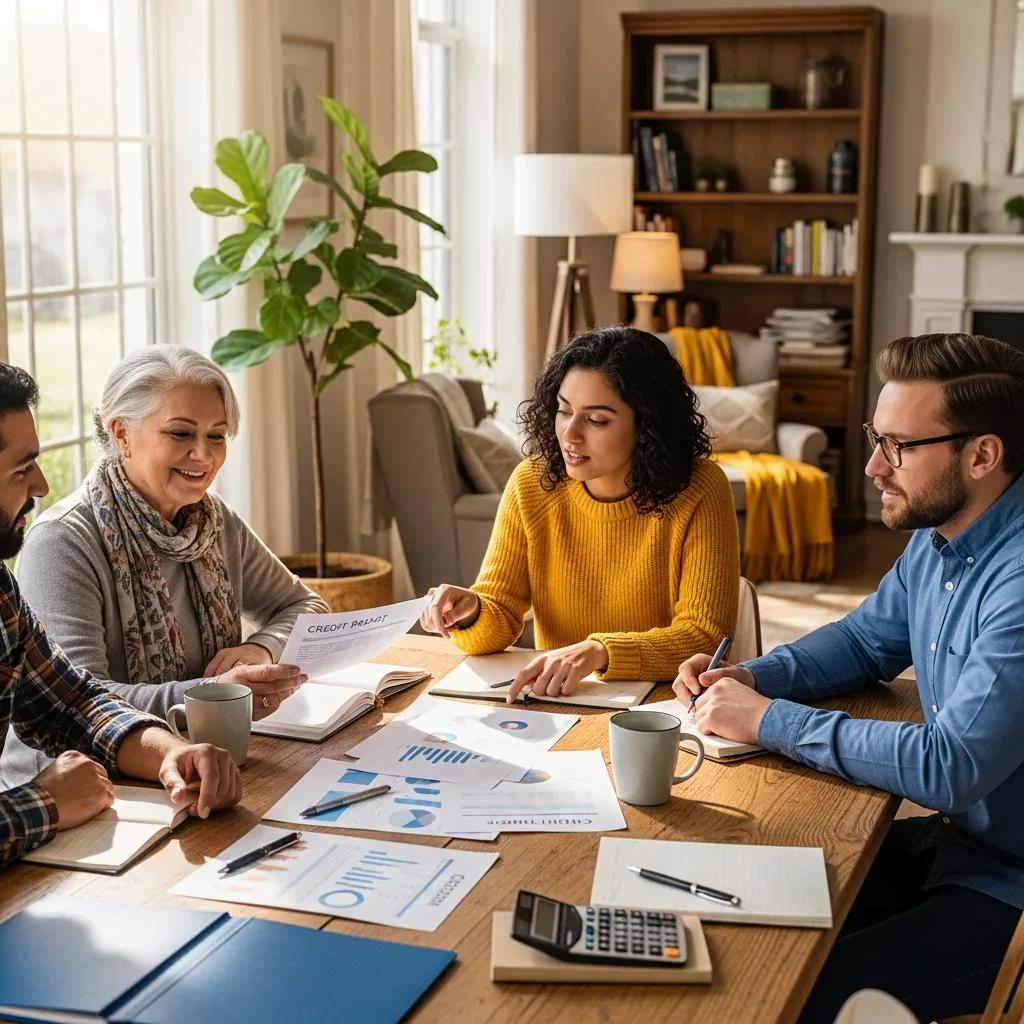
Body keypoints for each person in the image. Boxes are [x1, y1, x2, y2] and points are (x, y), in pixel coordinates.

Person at [673, 332, 1024, 1023]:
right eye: (876, 437)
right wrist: (749, 675)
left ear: (982, 454)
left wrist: (765, 720)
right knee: (736, 910)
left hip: (1011, 894)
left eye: (898, 447)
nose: (870, 467)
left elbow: (949, 766)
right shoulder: (941, 536)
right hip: (962, 846)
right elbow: (866, 641)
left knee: (781, 992)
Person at [1, 345, 324, 789]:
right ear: (121, 434)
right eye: (179, 434)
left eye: (217, 436)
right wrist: (210, 698)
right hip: (82, 784)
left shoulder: (213, 523)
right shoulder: (63, 540)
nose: (203, 455)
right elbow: (73, 706)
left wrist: (261, 650)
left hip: (184, 762)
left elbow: (304, 605)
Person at [0, 362, 241, 868]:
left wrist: (170, 752)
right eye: (22, 469)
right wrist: (42, 804)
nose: (42, 485)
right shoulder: (64, 538)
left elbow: (72, 702)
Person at [420, 326, 740, 698]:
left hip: (662, 706)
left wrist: (601, 652)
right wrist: (472, 609)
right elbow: (501, 612)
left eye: (597, 420)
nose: (569, 434)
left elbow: (705, 636)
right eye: (564, 410)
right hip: (558, 700)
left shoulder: (700, 489)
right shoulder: (531, 484)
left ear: (648, 425)